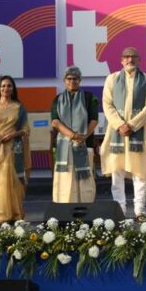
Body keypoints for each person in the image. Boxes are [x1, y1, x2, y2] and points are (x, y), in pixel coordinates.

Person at [101, 47, 146, 218]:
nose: (130, 60)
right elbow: (107, 104)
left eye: (133, 57)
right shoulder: (112, 79)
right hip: (116, 133)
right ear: (121, 60)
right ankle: (120, 210)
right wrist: (119, 125)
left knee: (140, 172)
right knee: (117, 172)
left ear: (139, 60)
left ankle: (139, 210)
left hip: (138, 132)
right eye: (126, 57)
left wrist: (131, 125)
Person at [0, 75, 30, 225]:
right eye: (3, 86)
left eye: (9, 86)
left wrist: (12, 134)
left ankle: (13, 214)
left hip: (12, 148)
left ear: (13, 89)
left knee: (10, 179)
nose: (5, 88)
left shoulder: (19, 107)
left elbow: (25, 129)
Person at [50, 66, 98, 204]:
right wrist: (73, 135)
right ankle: (64, 208)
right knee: (65, 179)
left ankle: (86, 208)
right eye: (69, 79)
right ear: (64, 81)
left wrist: (83, 136)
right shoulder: (57, 99)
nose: (72, 81)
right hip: (64, 146)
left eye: (75, 78)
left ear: (80, 80)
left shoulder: (89, 97)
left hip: (84, 144)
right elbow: (55, 122)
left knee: (84, 180)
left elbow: (94, 120)